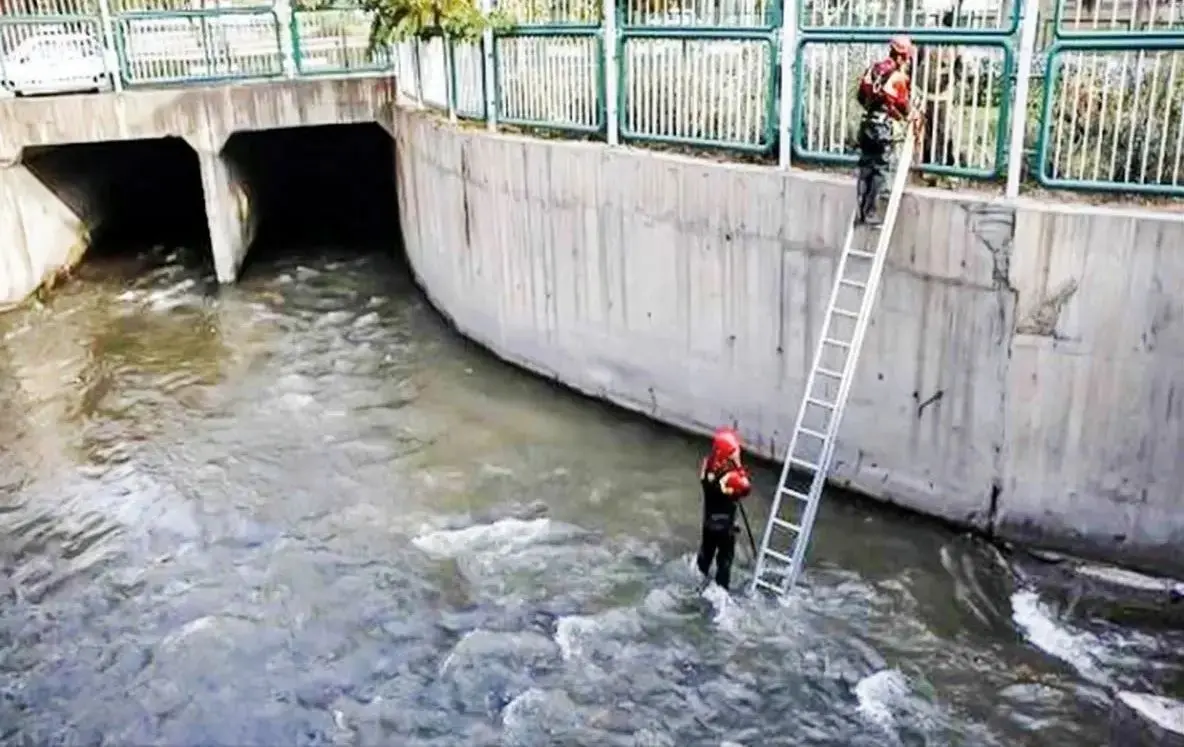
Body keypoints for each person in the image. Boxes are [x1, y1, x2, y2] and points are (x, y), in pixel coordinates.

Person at [854, 35, 918, 225]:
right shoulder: (898, 78)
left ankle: (860, 210)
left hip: (865, 125)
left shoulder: (873, 70)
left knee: (865, 166)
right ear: (902, 56)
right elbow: (903, 105)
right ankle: (871, 212)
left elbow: (860, 96)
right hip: (881, 128)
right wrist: (910, 115)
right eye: (906, 58)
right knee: (879, 169)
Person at [696, 426, 752, 591]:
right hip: (724, 528)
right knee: (724, 562)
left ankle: (700, 579)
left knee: (705, 554)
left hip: (708, 523)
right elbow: (746, 488)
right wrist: (739, 465)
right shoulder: (730, 477)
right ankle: (721, 591)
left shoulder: (706, 466)